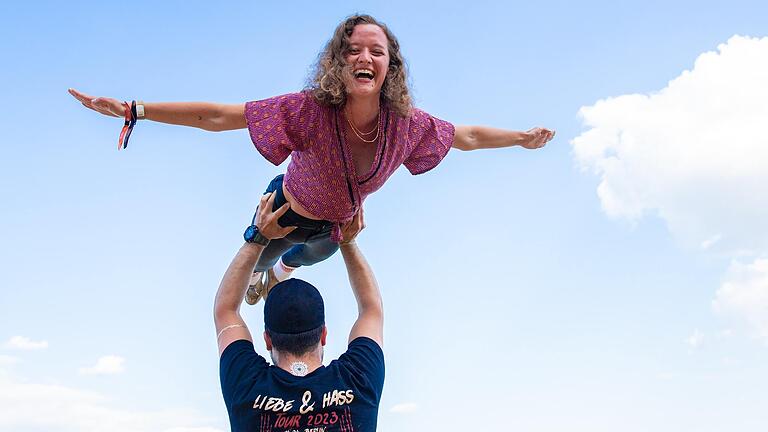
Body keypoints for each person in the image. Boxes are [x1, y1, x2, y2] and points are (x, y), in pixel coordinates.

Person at [69, 14, 555, 303]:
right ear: (338, 62)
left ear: (390, 65)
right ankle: (265, 272)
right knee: (248, 274)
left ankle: (277, 277)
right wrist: (137, 110)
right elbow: (219, 116)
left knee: (315, 255)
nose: (364, 56)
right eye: (353, 50)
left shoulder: (407, 125)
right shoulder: (308, 111)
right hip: (282, 211)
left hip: (331, 229)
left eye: (377, 51)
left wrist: (520, 138)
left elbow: (465, 136)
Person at [214, 191, 383, 432]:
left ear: (268, 340)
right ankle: (281, 268)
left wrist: (257, 238)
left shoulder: (247, 386)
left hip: (290, 217)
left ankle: (270, 271)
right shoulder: (358, 381)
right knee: (322, 243)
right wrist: (348, 242)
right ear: (323, 335)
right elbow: (371, 309)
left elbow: (226, 309)